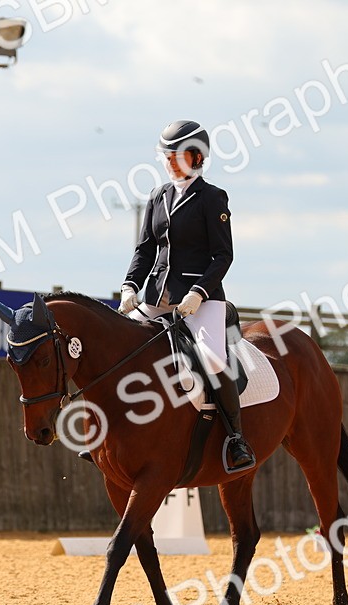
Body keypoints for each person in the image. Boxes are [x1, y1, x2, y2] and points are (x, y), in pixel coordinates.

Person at [118, 119, 255, 473]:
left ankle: (236, 438)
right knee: (119, 346)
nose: (169, 162)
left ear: (195, 156)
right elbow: (145, 249)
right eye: (166, 156)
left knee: (213, 360)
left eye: (175, 155)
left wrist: (198, 291)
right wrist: (130, 285)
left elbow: (223, 255)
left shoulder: (212, 198)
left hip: (201, 299)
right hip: (157, 295)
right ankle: (110, 430)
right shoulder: (158, 196)